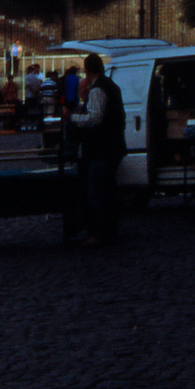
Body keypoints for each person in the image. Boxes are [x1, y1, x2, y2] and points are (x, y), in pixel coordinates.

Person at [69, 53, 126, 246]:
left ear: (87, 70)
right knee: (108, 193)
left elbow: (94, 118)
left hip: (101, 149)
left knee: (98, 194)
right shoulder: (111, 86)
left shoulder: (98, 90)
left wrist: (72, 118)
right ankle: (108, 231)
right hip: (113, 147)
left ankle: (100, 233)